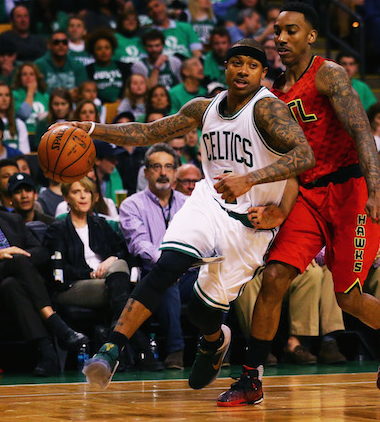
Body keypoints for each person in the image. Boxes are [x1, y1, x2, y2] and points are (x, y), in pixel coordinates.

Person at [67, 38, 315, 395]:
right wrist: (90, 129)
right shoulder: (205, 107)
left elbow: (304, 156)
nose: (242, 70)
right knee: (167, 265)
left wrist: (253, 181)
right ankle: (110, 351)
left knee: (202, 308)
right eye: (235, 63)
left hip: (249, 223)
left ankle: (213, 342)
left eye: (251, 65)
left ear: (262, 73)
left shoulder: (268, 110)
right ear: (225, 68)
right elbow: (148, 132)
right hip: (208, 201)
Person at [224, 4, 380, 407]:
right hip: (307, 194)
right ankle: (250, 378)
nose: (282, 38)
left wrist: (376, 191)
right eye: (277, 31)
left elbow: (363, 133)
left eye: (292, 31)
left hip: (351, 192)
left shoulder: (329, 74)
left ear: (311, 36)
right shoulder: (271, 92)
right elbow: (285, 160)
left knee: (347, 295)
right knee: (273, 278)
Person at [0, 168, 89, 376]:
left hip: (13, 283)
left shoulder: (12, 220)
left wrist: (18, 255)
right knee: (15, 261)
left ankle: (47, 355)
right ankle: (55, 322)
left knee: (12, 284)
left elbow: (41, 252)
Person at [117, 143, 189, 369]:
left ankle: (215, 349)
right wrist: (170, 265)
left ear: (176, 172)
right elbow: (139, 244)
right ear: (146, 172)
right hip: (153, 273)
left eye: (169, 166)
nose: (163, 172)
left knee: (218, 280)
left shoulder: (188, 204)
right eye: (156, 167)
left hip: (188, 271)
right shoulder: (132, 204)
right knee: (167, 281)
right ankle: (176, 350)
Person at [43, 177, 131, 330]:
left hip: (109, 277)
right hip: (73, 285)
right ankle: (122, 333)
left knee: (120, 266)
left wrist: (111, 259)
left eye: (87, 191)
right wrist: (89, 273)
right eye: (76, 192)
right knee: (120, 291)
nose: (83, 196)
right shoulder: (57, 229)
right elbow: (57, 270)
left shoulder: (100, 224)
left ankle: (117, 329)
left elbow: (124, 252)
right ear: (66, 198)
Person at [85, 29, 132, 104]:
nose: (104, 52)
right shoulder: (88, 69)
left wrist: (120, 98)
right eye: (99, 49)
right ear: (93, 51)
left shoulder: (124, 67)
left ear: (112, 50)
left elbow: (128, 87)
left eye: (107, 48)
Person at [12, 63, 49, 137]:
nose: (28, 77)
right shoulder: (14, 95)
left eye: (32, 74)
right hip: (23, 134)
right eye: (24, 74)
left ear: (37, 77)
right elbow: (23, 114)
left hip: (42, 135)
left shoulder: (45, 96)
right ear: (20, 78)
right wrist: (30, 92)